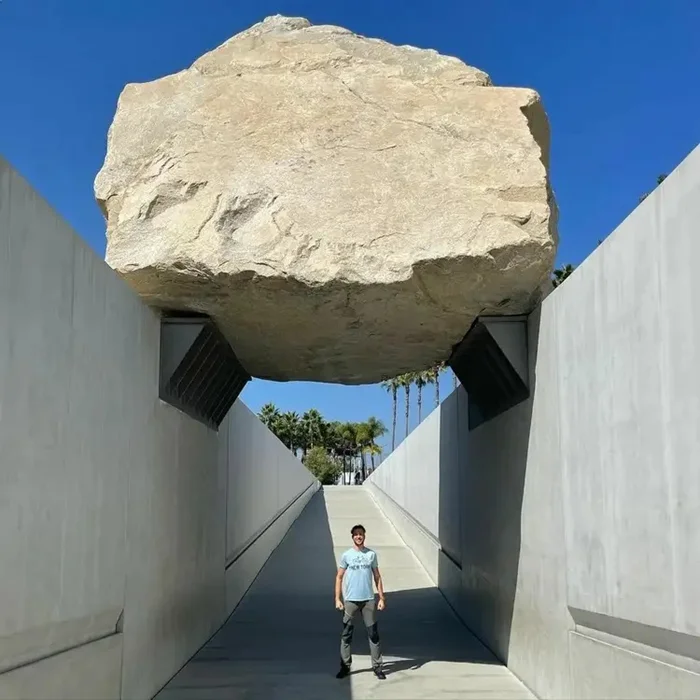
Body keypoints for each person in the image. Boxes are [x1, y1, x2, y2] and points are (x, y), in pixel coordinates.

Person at [334, 523, 386, 680]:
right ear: (352, 537)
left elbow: (377, 576)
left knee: (373, 634)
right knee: (346, 634)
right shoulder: (346, 555)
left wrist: (381, 598)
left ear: (364, 536)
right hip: (351, 600)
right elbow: (339, 577)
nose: (358, 536)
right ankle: (345, 666)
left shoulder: (371, 555)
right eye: (356, 534)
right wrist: (338, 599)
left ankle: (377, 667)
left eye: (361, 534)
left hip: (368, 600)